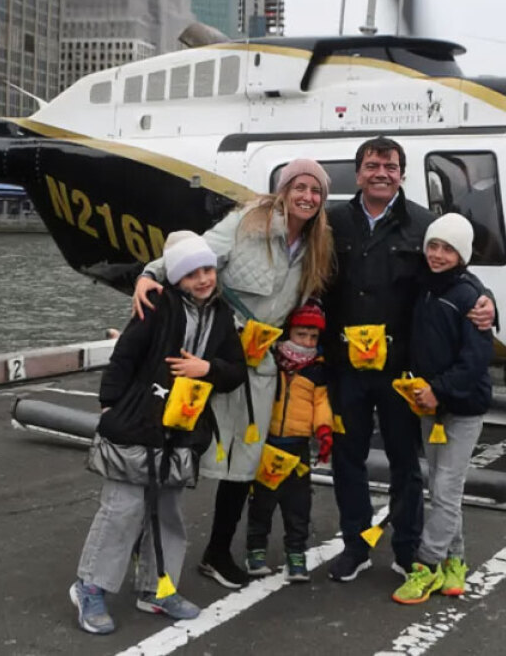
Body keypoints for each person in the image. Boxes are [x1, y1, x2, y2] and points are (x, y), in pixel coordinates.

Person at [132, 159, 335, 589]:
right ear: (284, 190)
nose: (307, 197)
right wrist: (150, 275)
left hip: (258, 363)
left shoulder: (316, 246)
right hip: (213, 343)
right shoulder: (247, 222)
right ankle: (139, 539)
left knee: (244, 460)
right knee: (176, 444)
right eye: (299, 187)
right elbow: (198, 253)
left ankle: (218, 551)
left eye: (316, 190)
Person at [324, 136, 496, 583]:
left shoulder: (423, 224)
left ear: (402, 174)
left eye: (390, 166)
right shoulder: (332, 222)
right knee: (348, 459)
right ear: (358, 173)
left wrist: (488, 299)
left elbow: (454, 273)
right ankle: (355, 545)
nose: (381, 173)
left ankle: (406, 546)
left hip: (401, 371)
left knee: (405, 463)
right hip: (345, 367)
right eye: (372, 165)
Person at [70, 232, 247, 635]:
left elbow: (236, 370)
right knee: (122, 508)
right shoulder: (156, 305)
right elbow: (125, 356)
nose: (203, 279)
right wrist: (109, 406)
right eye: (192, 274)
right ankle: (90, 586)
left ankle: (157, 588)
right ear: (176, 278)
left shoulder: (222, 315)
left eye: (208, 270)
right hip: (139, 420)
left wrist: (208, 369)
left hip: (182, 428)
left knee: (168, 511)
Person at [390, 214, 492, 604]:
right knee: (442, 486)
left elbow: (476, 359)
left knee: (446, 488)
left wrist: (440, 390)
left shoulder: (470, 296)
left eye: (448, 249)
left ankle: (427, 565)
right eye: (433, 245)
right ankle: (456, 561)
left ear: (462, 255)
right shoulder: (424, 285)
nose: (437, 254)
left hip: (462, 408)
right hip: (428, 404)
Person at [244, 301, 334, 582]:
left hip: (298, 446)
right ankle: (256, 548)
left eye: (313, 337)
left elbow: (321, 403)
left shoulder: (317, 370)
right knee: (262, 502)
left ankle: (296, 552)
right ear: (288, 332)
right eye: (301, 334)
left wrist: (324, 431)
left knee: (299, 505)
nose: (307, 342)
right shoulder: (271, 360)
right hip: (268, 443)